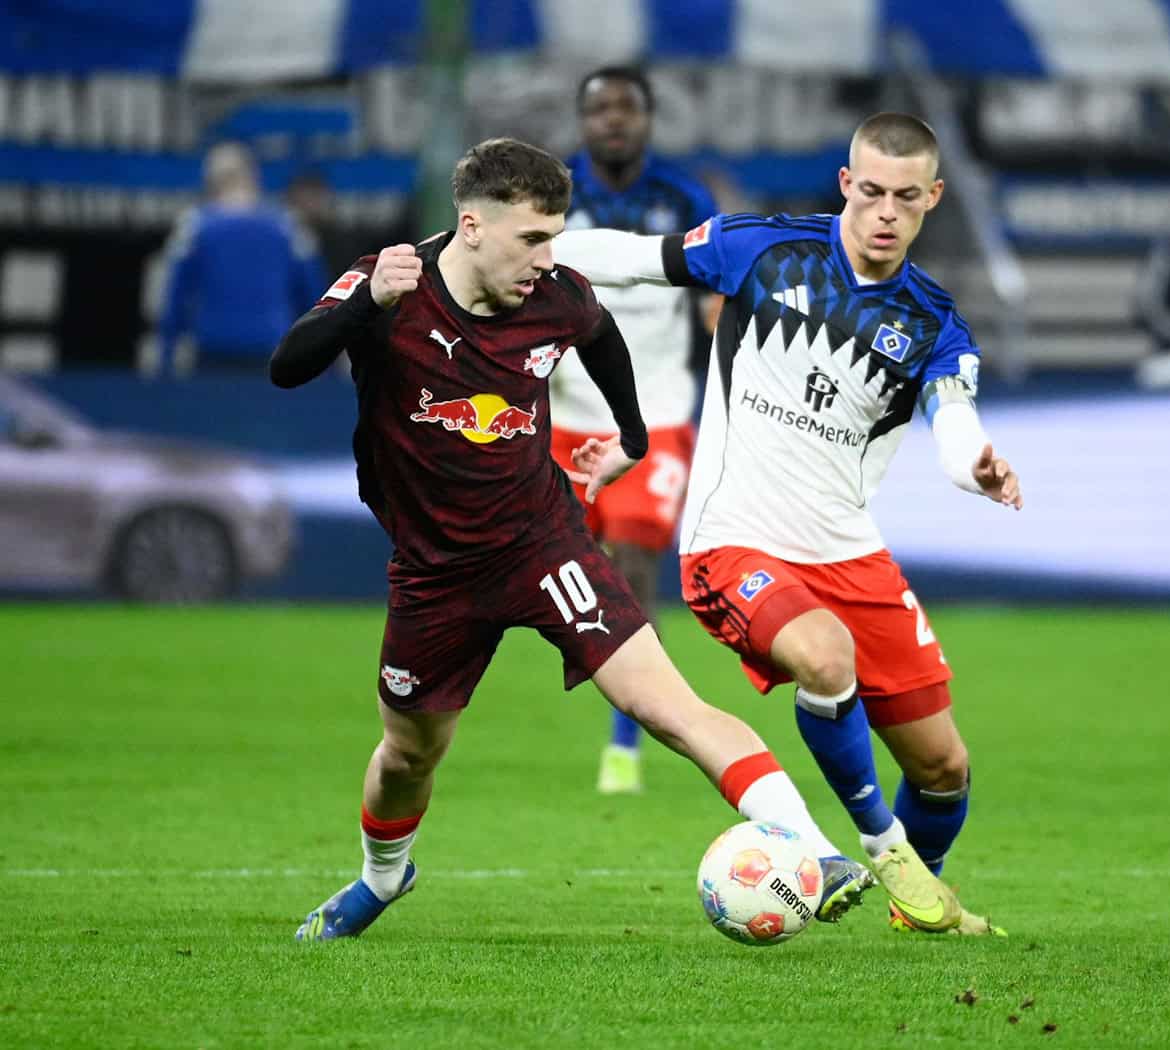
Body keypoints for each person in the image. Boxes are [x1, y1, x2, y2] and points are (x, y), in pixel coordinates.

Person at [268, 137, 872, 942]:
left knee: (668, 707)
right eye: (532, 238)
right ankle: (381, 879)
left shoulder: (556, 295)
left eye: (556, 236)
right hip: (433, 573)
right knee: (408, 755)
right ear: (472, 226)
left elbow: (600, 335)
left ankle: (814, 851)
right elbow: (286, 367)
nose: (547, 258)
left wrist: (630, 436)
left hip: (542, 544)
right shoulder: (392, 283)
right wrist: (363, 303)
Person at [555, 113, 1022, 936]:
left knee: (945, 769)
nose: (884, 212)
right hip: (733, 538)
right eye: (870, 191)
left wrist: (976, 464)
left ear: (932, 200)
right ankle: (880, 845)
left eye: (904, 199)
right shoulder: (763, 250)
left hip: (849, 551)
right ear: (847, 183)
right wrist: (513, 248)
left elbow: (956, 421)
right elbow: (633, 261)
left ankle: (917, 900)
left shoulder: (933, 324)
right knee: (823, 654)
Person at [553, 66, 720, 796]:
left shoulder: (685, 198)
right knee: (558, 571)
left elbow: (719, 301)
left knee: (631, 569)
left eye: (627, 108)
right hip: (560, 415)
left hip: (655, 414)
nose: (613, 120)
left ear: (649, 119)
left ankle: (625, 744)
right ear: (583, 121)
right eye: (599, 109)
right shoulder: (551, 195)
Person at [159, 142, 326, 375]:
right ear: (254, 177)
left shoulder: (195, 228)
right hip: (271, 349)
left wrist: (164, 360)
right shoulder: (288, 227)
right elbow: (316, 300)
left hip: (212, 350)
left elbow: (175, 300)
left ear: (210, 183)